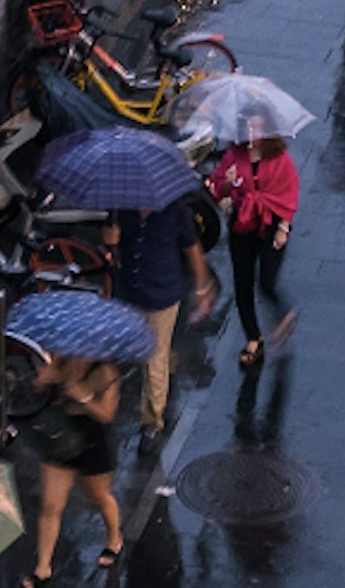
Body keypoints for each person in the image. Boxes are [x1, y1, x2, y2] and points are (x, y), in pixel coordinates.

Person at [20, 357, 123, 588]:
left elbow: (107, 414)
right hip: (61, 437)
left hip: (93, 441)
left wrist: (83, 396)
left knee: (98, 497)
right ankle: (43, 567)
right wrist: (43, 380)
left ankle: (114, 538)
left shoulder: (105, 371)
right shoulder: (61, 362)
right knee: (50, 505)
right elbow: (37, 391)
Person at [108, 193, 209, 429]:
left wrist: (202, 286)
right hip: (129, 289)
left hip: (161, 293)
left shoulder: (176, 212)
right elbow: (115, 250)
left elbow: (192, 248)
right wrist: (111, 242)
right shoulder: (123, 207)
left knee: (154, 360)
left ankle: (152, 421)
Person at [210, 130, 301, 368]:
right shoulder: (234, 155)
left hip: (270, 224)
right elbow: (218, 186)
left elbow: (288, 192)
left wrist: (284, 227)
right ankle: (253, 338)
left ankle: (283, 314)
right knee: (242, 282)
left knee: (266, 281)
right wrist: (227, 184)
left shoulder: (279, 158)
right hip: (242, 225)